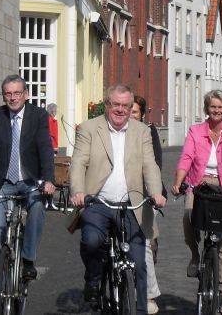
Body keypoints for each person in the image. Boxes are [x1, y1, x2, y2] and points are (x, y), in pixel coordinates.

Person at [70, 84, 166, 315]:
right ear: (107, 105)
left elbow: (149, 165)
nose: (121, 110)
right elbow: (78, 162)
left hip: (132, 204)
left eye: (126, 106)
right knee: (91, 242)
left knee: (140, 263)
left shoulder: (141, 131)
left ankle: (140, 310)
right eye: (116, 105)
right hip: (98, 202)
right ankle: (93, 279)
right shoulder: (89, 128)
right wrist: (78, 191)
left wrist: (155, 192)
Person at [0, 75, 55, 311]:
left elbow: (45, 148)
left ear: (26, 94)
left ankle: (27, 260)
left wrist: (48, 179)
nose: (13, 97)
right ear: (3, 96)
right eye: (8, 93)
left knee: (37, 207)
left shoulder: (38, 116)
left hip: (30, 181)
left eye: (17, 93)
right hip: (4, 182)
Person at [171, 90, 222, 315]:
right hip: (199, 185)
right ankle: (196, 256)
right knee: (188, 218)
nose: (216, 110)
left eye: (220, 107)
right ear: (207, 108)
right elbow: (186, 157)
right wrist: (178, 182)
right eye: (213, 106)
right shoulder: (196, 131)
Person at [131, 95, 164, 314]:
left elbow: (156, 164)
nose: (131, 115)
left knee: (144, 248)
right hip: (118, 196)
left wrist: (155, 192)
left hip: (143, 194)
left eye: (135, 111)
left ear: (142, 114)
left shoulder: (148, 132)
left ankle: (149, 294)